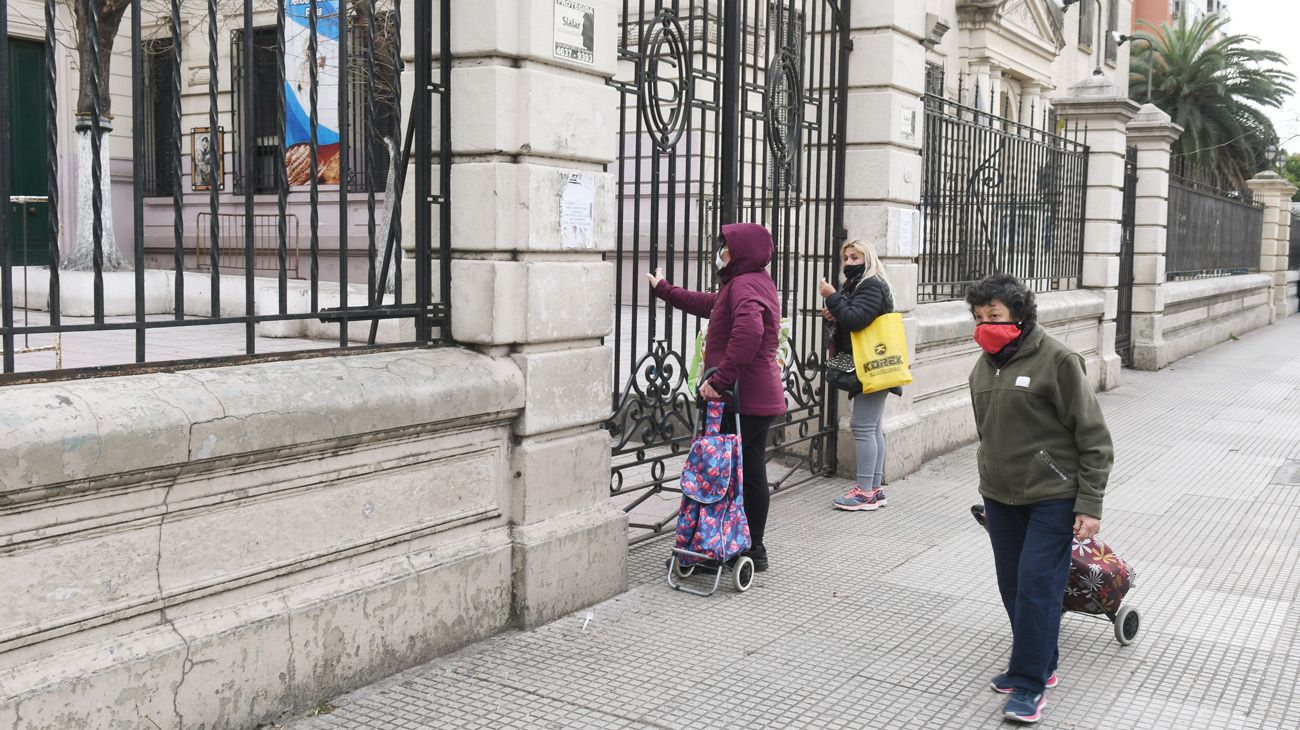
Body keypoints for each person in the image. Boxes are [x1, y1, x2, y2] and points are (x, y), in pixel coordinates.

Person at [965, 274, 1114, 724]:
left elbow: (1094, 436)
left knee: (1037, 585)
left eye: (994, 316)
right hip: (1000, 495)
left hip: (1052, 495)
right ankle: (1041, 662)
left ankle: (1029, 683)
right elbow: (987, 430)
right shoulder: (983, 366)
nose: (985, 324)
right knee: (1012, 584)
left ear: (1019, 315)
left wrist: (1089, 502)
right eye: (978, 317)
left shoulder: (1059, 360)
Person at [647, 222, 786, 572]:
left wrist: (721, 381)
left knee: (720, 472)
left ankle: (713, 551)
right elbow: (710, 304)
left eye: (725, 248)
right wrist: (665, 290)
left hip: (742, 398)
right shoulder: (752, 282)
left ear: (739, 252)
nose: (720, 253)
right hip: (759, 397)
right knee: (750, 471)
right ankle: (752, 548)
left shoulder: (743, 284)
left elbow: (750, 330)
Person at [818, 239, 896, 511]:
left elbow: (856, 319)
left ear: (868, 258)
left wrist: (832, 296)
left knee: (863, 427)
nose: (849, 263)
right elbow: (852, 317)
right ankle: (874, 489)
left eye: (855, 258)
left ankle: (864, 492)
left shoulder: (871, 284)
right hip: (872, 364)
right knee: (872, 427)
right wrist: (834, 313)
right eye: (847, 258)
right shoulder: (860, 286)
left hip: (871, 364)